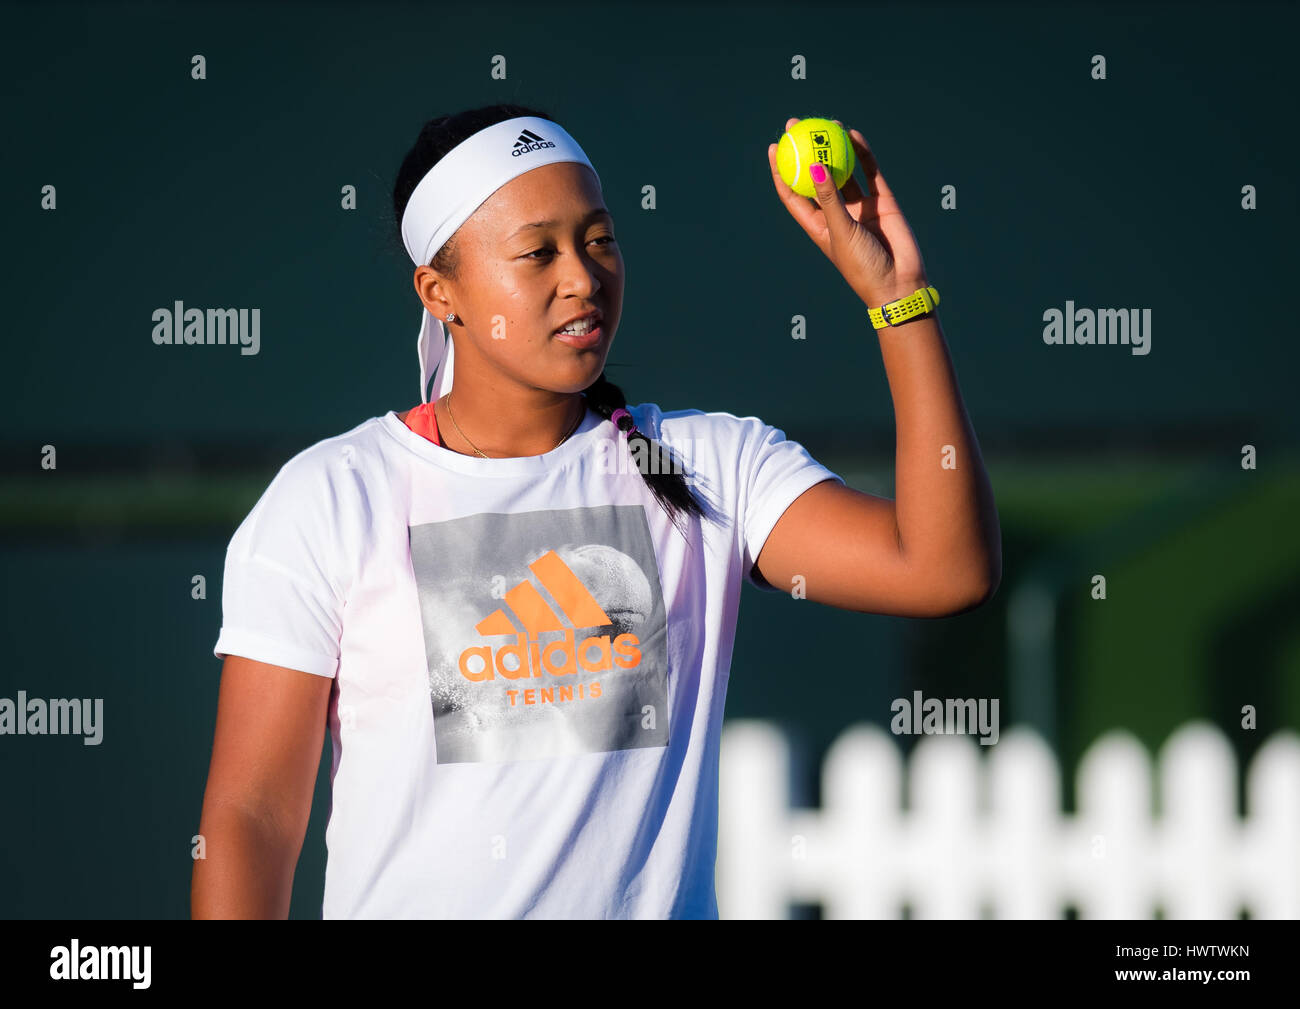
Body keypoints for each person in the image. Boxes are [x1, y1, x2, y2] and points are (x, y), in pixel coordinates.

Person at [191, 103, 1001, 920]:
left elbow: (942, 568)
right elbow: (252, 817)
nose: (582, 276)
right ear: (442, 293)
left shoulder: (710, 463)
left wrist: (899, 298)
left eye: (599, 239)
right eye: (536, 252)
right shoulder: (328, 496)